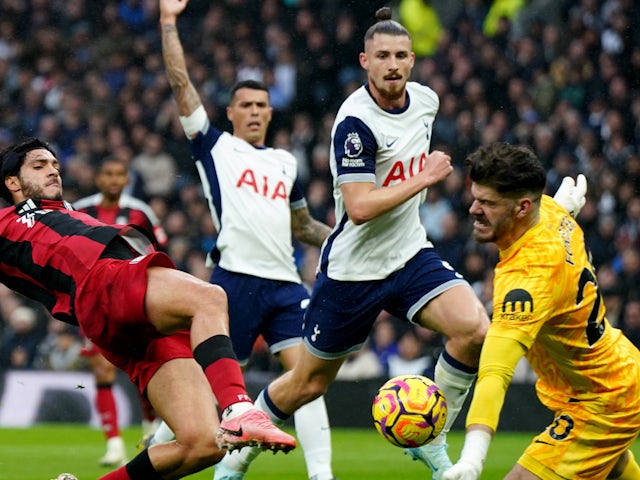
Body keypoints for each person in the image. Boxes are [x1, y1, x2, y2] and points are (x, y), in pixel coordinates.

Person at [246, 7, 587, 480]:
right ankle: (238, 454)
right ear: (364, 61)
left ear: (412, 61)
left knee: (473, 328)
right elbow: (360, 206)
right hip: (353, 271)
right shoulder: (354, 122)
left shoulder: (425, 100)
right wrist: (423, 177)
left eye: (401, 55)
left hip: (409, 254)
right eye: (382, 55)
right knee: (307, 383)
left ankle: (431, 433)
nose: (392, 64)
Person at [0, 137, 296, 480]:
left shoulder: (66, 212)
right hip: (101, 281)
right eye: (39, 166)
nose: (52, 170)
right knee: (209, 297)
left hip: (124, 315)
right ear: (12, 182)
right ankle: (240, 408)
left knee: (203, 444)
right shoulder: (8, 224)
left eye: (55, 165)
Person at [155, 1, 336, 480]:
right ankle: (156, 449)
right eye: (246, 105)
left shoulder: (286, 162)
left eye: (262, 105)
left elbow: (303, 227)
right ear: (231, 112)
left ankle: (321, 475)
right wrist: (168, 22)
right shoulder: (215, 147)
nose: (254, 112)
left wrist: (343, 235)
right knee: (204, 387)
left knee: (308, 380)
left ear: (270, 112)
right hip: (232, 281)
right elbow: (181, 85)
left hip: (285, 286)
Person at [443, 142, 640, 480]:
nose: (474, 209)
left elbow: (495, 372)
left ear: (522, 207)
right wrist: (565, 208)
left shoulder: (528, 278)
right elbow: (553, 214)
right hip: (599, 378)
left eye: (487, 203)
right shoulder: (549, 212)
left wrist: (472, 458)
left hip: (604, 399)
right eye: (475, 197)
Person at [73, 157, 168, 467]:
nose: (113, 179)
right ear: (98, 178)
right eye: (107, 173)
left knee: (142, 368)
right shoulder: (79, 211)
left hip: (134, 298)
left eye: (119, 174)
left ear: (126, 179)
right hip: (95, 301)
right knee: (102, 370)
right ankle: (114, 444)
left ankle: (150, 430)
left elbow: (158, 250)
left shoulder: (141, 211)